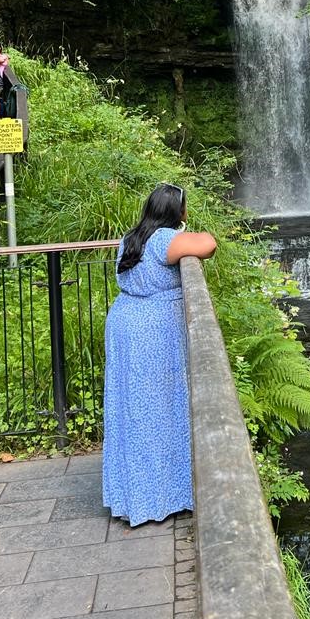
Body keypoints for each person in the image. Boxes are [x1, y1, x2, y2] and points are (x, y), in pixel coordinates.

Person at [103, 183, 217, 526]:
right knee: (161, 409)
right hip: (153, 335)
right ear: (177, 212)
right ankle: (162, 497)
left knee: (133, 409)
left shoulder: (131, 238)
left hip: (125, 325)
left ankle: (133, 496)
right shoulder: (167, 239)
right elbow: (208, 243)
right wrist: (191, 230)